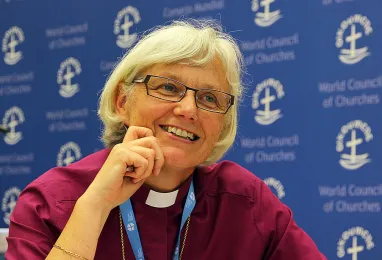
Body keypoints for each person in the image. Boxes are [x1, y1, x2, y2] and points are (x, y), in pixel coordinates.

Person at [5, 19, 327, 260]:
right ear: (122, 101)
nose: (188, 110)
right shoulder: (49, 202)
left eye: (210, 99)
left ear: (222, 125)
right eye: (168, 88)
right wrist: (94, 206)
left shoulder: (247, 203)